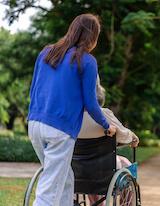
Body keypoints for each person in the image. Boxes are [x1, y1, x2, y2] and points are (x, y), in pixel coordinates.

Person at [27, 14, 116, 206]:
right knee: (49, 191)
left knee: (65, 179)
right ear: (92, 37)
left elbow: (33, 90)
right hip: (59, 130)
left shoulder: (46, 53)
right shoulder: (87, 61)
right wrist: (107, 125)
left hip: (34, 124)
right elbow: (91, 103)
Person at [77, 80, 139, 205]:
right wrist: (133, 138)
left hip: (78, 170)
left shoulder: (73, 116)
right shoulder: (104, 114)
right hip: (103, 168)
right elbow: (124, 135)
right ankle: (126, 203)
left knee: (92, 172)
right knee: (127, 165)